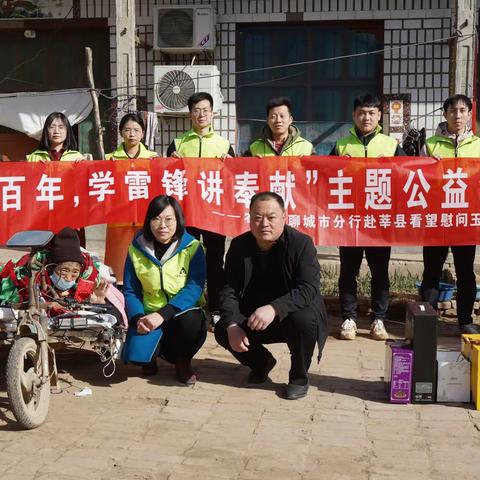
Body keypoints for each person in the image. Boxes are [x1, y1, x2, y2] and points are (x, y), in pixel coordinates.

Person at [214, 192, 328, 400]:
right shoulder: (239, 246)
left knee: (303, 319)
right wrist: (232, 325)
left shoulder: (301, 244)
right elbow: (228, 290)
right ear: (249, 218)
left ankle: (299, 378)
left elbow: (308, 288)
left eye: (271, 217)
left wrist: (274, 308)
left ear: (284, 217)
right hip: (256, 318)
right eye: (257, 217)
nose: (264, 223)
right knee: (223, 329)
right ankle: (261, 362)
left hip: (289, 316)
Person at [331, 93, 405, 341]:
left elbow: (410, 175)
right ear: (354, 115)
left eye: (372, 113)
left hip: (379, 222)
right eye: (362, 112)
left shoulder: (391, 145)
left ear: (379, 116)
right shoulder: (342, 145)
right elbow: (324, 176)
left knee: (380, 272)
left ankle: (378, 320)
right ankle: (349, 319)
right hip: (350, 222)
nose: (366, 117)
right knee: (348, 272)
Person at [123, 195, 207, 384]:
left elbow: (194, 287)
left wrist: (163, 314)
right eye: (156, 219)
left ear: (178, 220)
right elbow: (130, 290)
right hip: (148, 314)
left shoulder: (192, 247)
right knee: (136, 357)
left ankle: (182, 362)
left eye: (169, 219)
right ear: (148, 221)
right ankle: (150, 354)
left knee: (191, 320)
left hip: (179, 313)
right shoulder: (136, 249)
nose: (162, 225)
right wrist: (138, 318)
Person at [166, 92, 234, 317]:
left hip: (215, 213)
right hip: (188, 214)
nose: (201, 114)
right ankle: (187, 306)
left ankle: (216, 308)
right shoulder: (178, 144)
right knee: (185, 260)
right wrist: (171, 161)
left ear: (213, 113)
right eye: (196, 110)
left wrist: (231, 165)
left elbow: (233, 180)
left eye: (205, 110)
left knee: (215, 261)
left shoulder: (224, 145)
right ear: (189, 114)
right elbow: (167, 177)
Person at [420, 94, 480, 335]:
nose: (457, 115)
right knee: (431, 271)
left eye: (462, 110)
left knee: (466, 271)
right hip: (436, 219)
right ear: (444, 114)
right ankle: (426, 321)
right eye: (453, 110)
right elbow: (417, 180)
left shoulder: (478, 145)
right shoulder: (431, 144)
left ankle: (465, 319)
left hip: (465, 221)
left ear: (469, 114)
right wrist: (426, 163)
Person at [0, 227, 112, 312]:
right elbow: (14, 306)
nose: (68, 278)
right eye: (64, 271)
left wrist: (98, 302)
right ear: (52, 267)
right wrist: (48, 305)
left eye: (74, 273)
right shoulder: (30, 276)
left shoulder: (88, 277)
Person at [104, 113, 158, 282]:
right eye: (127, 130)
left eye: (136, 130)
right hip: (118, 221)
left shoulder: (154, 159)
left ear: (143, 133)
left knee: (146, 266)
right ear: (121, 132)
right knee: (117, 268)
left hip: (145, 219)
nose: (132, 134)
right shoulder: (109, 159)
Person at [244, 97, 313, 156]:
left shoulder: (306, 147)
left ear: (290, 120)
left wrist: (308, 163)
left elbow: (319, 170)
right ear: (267, 120)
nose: (278, 120)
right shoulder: (254, 148)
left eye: (282, 116)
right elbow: (241, 169)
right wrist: (252, 162)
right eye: (273, 117)